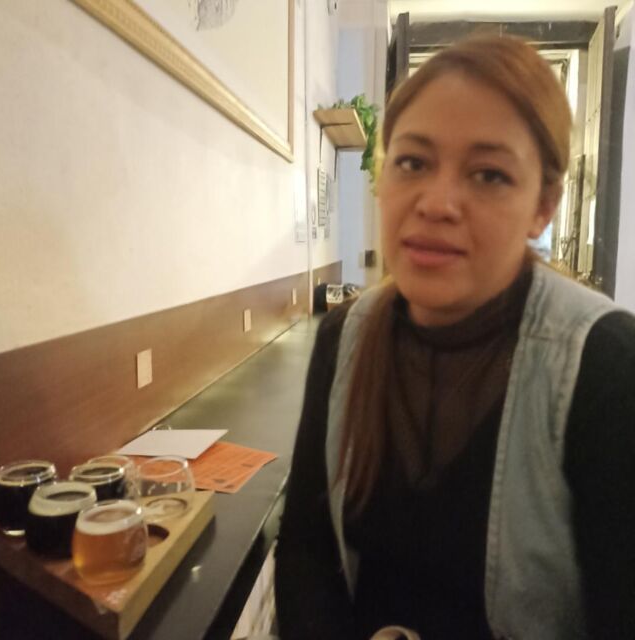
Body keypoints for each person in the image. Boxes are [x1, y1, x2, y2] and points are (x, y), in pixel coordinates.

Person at [274, 35, 635, 640]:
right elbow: (307, 550)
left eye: (489, 174)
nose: (437, 203)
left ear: (543, 206)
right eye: (413, 163)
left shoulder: (604, 364)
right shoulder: (344, 336)